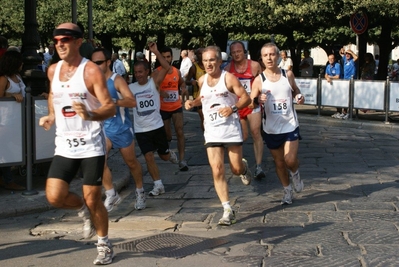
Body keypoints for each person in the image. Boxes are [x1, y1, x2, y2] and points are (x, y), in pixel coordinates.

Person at [38, 22, 116, 265]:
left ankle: (104, 244)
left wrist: (91, 114)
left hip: (91, 144)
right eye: (57, 40)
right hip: (65, 145)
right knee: (54, 196)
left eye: (66, 39)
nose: (60, 43)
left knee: (95, 199)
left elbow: (110, 106)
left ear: (79, 41)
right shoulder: (53, 70)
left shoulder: (91, 71)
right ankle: (83, 210)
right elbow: (53, 94)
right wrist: (52, 114)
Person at [185, 45, 252, 226]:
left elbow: (246, 98)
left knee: (235, 169)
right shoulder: (201, 80)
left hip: (230, 129)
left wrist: (232, 108)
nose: (208, 64)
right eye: (205, 61)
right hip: (212, 130)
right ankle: (227, 209)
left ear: (220, 61)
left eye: (212, 60)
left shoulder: (228, 78)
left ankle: (244, 169)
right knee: (217, 169)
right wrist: (193, 102)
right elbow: (204, 98)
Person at [90, 47, 146, 212]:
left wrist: (114, 102)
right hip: (103, 129)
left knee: (131, 162)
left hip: (121, 128)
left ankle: (140, 191)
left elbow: (132, 102)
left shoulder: (117, 80)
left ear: (108, 62)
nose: (95, 65)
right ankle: (111, 193)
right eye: (93, 62)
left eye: (99, 62)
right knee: (100, 161)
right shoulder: (92, 82)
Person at [250, 42, 305, 206]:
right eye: (265, 55)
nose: (269, 58)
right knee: (279, 163)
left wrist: (299, 96)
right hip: (271, 128)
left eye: (272, 54)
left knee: (289, 159)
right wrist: (258, 100)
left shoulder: (287, 74)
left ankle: (295, 173)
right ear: (262, 58)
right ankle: (287, 191)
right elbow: (251, 103)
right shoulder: (259, 80)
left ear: (278, 56)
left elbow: (295, 90)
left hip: (289, 124)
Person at [128, 42, 179, 197]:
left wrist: (156, 52)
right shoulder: (131, 89)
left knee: (163, 157)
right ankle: (158, 185)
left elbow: (167, 68)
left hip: (157, 127)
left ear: (147, 71)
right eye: (136, 72)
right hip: (141, 130)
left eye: (141, 72)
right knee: (148, 157)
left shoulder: (154, 82)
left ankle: (169, 154)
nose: (138, 75)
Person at [224, 41, 265, 179]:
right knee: (242, 137)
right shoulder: (229, 68)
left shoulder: (254, 66)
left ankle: (259, 167)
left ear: (244, 51)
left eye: (239, 51)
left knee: (255, 133)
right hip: (238, 106)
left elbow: (262, 83)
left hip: (252, 105)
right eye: (234, 52)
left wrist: (257, 98)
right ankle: (241, 165)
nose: (236, 54)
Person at [155, 46, 189, 171]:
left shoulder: (176, 71)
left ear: (172, 58)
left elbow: (181, 83)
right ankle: (168, 153)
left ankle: (182, 160)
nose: (166, 59)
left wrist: (184, 88)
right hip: (163, 108)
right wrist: (160, 92)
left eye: (168, 57)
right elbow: (152, 87)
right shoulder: (157, 72)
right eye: (163, 57)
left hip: (176, 106)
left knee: (180, 132)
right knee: (167, 135)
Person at [0, 50, 26, 191]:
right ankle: (8, 179)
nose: (22, 64)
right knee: (5, 148)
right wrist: (12, 95)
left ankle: (6, 178)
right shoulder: (4, 78)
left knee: (6, 147)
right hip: (4, 119)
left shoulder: (17, 76)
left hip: (16, 118)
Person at [185, 48, 206, 131]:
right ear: (196, 56)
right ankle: (206, 136)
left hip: (210, 95)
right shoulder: (194, 68)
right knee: (203, 118)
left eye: (202, 53)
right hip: (198, 96)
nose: (201, 56)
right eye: (199, 54)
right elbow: (186, 81)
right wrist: (191, 82)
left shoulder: (210, 65)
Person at [336, 48, 358, 119]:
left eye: (349, 54)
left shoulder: (352, 61)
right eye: (346, 54)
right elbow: (341, 53)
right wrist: (342, 50)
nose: (347, 55)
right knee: (345, 97)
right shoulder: (345, 60)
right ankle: (344, 112)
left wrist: (350, 52)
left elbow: (356, 57)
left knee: (350, 98)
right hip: (345, 80)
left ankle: (349, 113)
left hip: (351, 81)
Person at [325, 54, 344, 119]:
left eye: (332, 59)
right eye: (329, 59)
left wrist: (330, 77)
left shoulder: (337, 65)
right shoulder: (328, 66)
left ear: (335, 59)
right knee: (335, 98)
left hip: (339, 84)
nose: (330, 60)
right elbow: (326, 74)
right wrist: (327, 77)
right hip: (333, 85)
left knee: (340, 98)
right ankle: (338, 111)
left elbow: (337, 76)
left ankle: (342, 112)